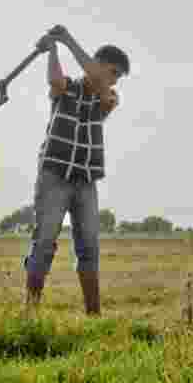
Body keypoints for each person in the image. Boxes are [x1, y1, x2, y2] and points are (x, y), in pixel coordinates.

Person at [24, 24, 130, 316]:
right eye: (113, 73)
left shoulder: (107, 98)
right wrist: (53, 48)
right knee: (44, 242)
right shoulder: (66, 89)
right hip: (54, 175)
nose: (114, 81)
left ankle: (94, 316)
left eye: (117, 77)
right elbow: (55, 80)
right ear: (98, 65)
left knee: (89, 248)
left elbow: (97, 81)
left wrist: (66, 38)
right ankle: (30, 311)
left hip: (86, 180)